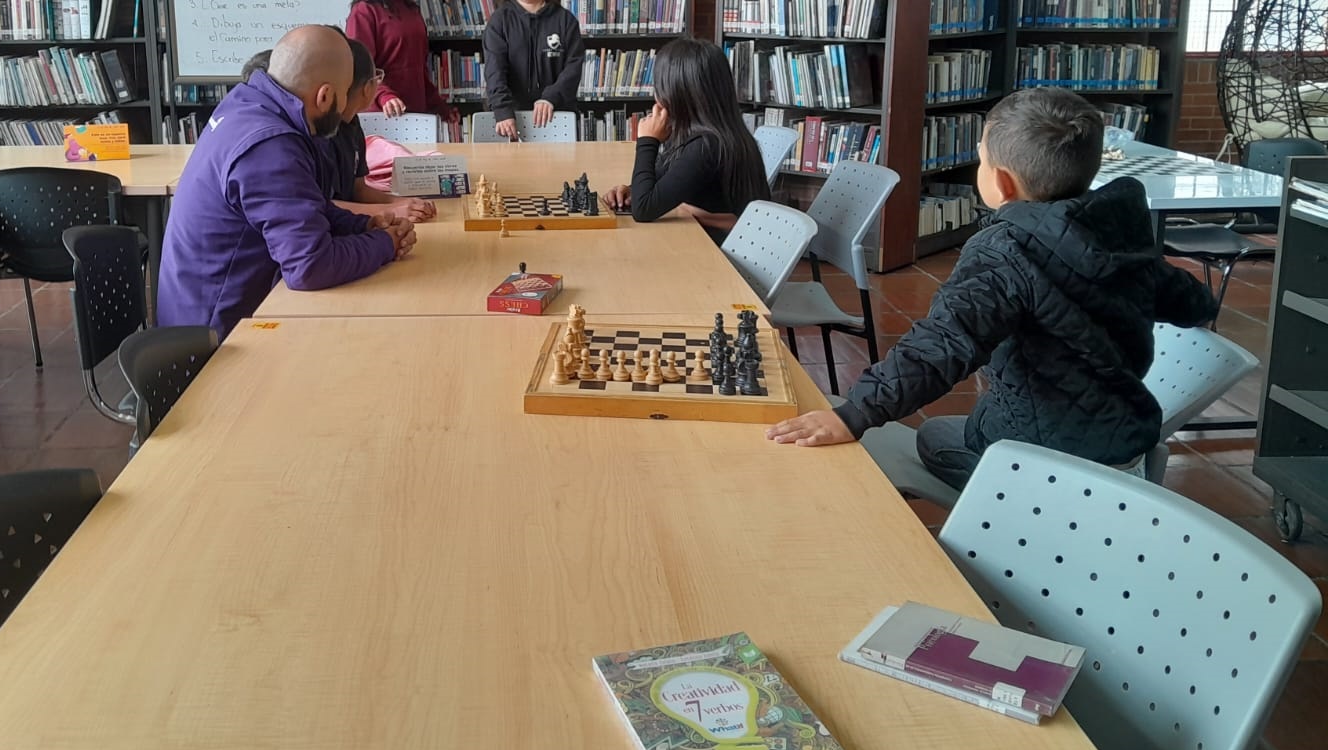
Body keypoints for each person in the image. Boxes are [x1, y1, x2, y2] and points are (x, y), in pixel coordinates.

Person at [765, 87, 1217, 489]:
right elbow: (1192, 301)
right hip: (1124, 441)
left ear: (1000, 182)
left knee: (932, 436)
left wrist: (853, 415)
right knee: (961, 424)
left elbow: (941, 345)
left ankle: (1013, 511)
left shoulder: (1005, 251)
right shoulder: (1120, 232)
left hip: (1044, 462)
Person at [158, 26, 417, 339]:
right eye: (344, 93)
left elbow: (304, 204)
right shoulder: (271, 146)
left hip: (208, 311)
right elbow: (310, 267)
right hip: (212, 341)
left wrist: (362, 226)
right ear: (325, 96)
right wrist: (385, 243)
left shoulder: (248, 102)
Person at [600, 38, 770, 245]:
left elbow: (644, 210)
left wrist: (647, 140)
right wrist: (632, 190)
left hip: (721, 258)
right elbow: (662, 181)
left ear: (675, 93)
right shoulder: (714, 133)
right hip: (715, 243)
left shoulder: (706, 146)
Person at [323, 39, 437, 223]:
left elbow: (358, 189)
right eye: (377, 78)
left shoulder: (352, 123)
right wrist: (390, 210)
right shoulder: (322, 133)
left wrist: (402, 202)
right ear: (368, 88)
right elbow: (322, 206)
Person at [483, 0, 583, 139]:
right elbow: (494, 70)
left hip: (557, 116)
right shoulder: (499, 20)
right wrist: (503, 110)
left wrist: (550, 98)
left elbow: (573, 67)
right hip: (512, 118)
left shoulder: (566, 20)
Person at [345, 0, 457, 121]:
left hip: (416, 114)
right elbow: (359, 69)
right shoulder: (363, 11)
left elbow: (419, 71)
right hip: (382, 113)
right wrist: (384, 95)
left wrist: (439, 107)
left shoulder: (412, 10)